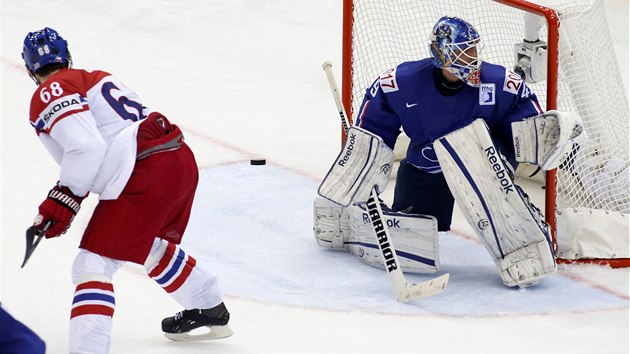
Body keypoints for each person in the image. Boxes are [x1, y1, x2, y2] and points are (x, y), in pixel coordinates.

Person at [317, 16, 583, 288]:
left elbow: (525, 120)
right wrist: (365, 159)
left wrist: (544, 137)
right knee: (411, 235)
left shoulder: (498, 82)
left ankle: (522, 245)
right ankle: (346, 225)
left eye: (474, 49)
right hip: (428, 161)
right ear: (441, 54)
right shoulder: (404, 81)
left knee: (474, 156)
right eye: (463, 51)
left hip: (487, 163)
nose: (472, 57)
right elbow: (375, 119)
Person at [21, 27, 232, 353]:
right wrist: (67, 195)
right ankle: (207, 305)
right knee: (143, 241)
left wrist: (64, 198)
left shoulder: (51, 90)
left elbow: (86, 147)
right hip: (177, 159)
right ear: (67, 55)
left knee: (92, 265)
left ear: (31, 68)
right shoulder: (96, 77)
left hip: (145, 171)